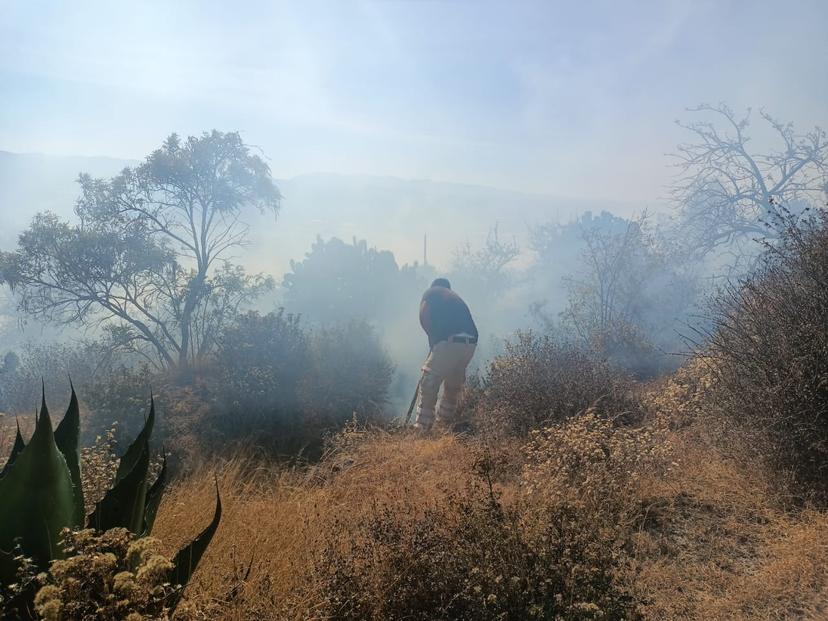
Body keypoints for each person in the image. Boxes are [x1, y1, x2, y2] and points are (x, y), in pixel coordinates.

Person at [415, 278, 478, 430]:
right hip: (471, 343)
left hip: (449, 341)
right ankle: (444, 423)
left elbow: (424, 316)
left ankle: (422, 427)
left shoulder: (432, 293)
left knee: (429, 380)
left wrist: (433, 339)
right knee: (453, 385)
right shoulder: (453, 298)